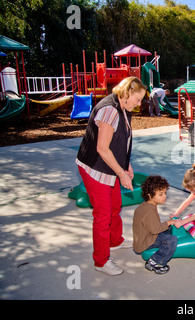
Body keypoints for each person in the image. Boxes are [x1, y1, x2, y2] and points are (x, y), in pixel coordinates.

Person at [76, 76, 147, 275]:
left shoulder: (123, 108)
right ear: (127, 93)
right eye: (138, 99)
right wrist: (120, 174)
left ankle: (115, 241)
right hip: (94, 168)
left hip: (108, 165)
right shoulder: (110, 110)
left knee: (115, 204)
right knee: (103, 215)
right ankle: (101, 261)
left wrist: (127, 165)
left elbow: (120, 142)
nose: (139, 103)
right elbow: (102, 148)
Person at [133, 176, 177, 274]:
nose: (164, 196)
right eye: (160, 194)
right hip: (146, 241)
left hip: (143, 236)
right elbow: (155, 230)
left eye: (165, 193)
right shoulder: (150, 211)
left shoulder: (146, 205)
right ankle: (156, 261)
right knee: (172, 240)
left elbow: (151, 226)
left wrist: (167, 225)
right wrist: (168, 222)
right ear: (150, 195)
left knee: (168, 229)